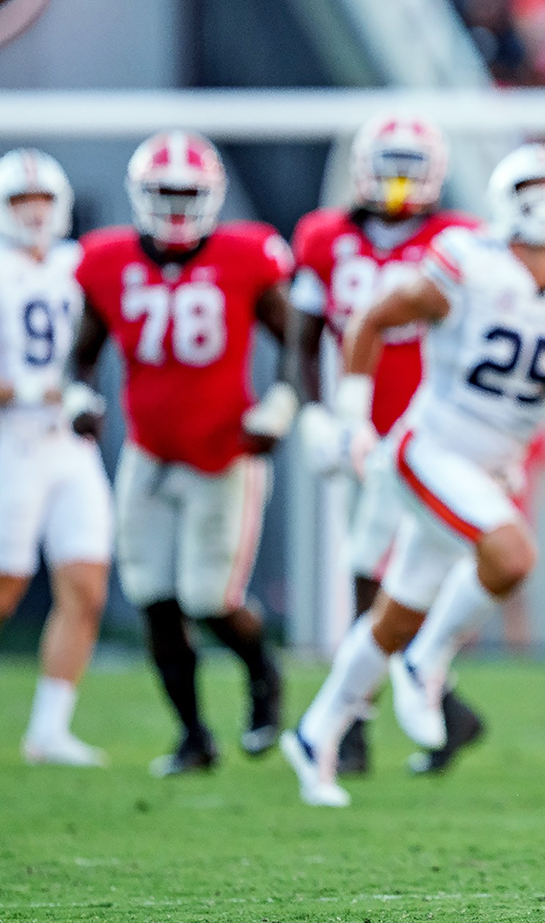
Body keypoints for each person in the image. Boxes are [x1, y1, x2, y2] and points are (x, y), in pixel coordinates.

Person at [282, 142, 545, 807]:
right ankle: (428, 660)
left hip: (493, 467)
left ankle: (317, 729)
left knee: (394, 611)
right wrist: (353, 418)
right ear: (505, 203)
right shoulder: (469, 264)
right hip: (431, 448)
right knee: (512, 552)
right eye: (532, 191)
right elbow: (371, 318)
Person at [70, 130, 295, 776]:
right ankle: (193, 735)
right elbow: (84, 353)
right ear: (140, 195)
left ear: (213, 197)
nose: (173, 206)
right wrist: (75, 397)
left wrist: (280, 405)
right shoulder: (106, 260)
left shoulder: (246, 255)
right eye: (163, 194)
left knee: (208, 596)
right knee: (151, 594)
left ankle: (262, 672)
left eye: (186, 194)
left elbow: (298, 339)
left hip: (224, 452)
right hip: (149, 448)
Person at [291, 110, 484, 775]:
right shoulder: (323, 237)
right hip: (362, 427)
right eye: (389, 166)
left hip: (435, 428)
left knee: (398, 572)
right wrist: (316, 411)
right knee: (372, 570)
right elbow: (304, 334)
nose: (399, 183)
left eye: (411, 168)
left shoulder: (458, 241)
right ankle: (422, 709)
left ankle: (363, 715)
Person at [0, 149, 112, 767]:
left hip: (72, 445)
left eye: (42, 200)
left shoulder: (79, 264)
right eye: (21, 201)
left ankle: (48, 730)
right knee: (6, 590)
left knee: (87, 588)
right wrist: (38, 391)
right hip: (13, 439)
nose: (34, 213)